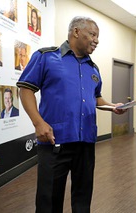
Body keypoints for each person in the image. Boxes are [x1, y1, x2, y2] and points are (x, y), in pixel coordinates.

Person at [17, 16, 127, 213]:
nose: (97, 40)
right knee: (48, 200)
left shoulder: (93, 68)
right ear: (76, 32)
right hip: (54, 141)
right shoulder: (46, 57)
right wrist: (38, 123)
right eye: (93, 34)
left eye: (98, 37)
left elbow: (95, 98)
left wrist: (112, 106)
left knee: (83, 197)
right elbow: (25, 89)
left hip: (85, 143)